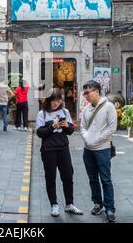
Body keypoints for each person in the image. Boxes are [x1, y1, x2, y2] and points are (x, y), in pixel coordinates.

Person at [36, 88, 83, 217]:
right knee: (50, 178)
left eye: (58, 101)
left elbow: (71, 131)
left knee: (68, 176)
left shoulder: (65, 111)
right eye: (53, 101)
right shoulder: (42, 114)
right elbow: (40, 133)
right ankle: (54, 205)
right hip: (48, 150)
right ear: (49, 100)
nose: (56, 103)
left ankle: (69, 204)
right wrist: (52, 126)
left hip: (63, 149)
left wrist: (68, 126)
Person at [80, 80, 117, 223]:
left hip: (102, 149)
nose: (86, 95)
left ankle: (110, 208)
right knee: (92, 179)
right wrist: (86, 138)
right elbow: (82, 126)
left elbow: (112, 128)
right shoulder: (86, 109)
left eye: (87, 92)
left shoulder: (109, 107)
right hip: (87, 150)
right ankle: (98, 203)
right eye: (84, 93)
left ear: (96, 91)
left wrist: (97, 139)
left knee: (106, 179)